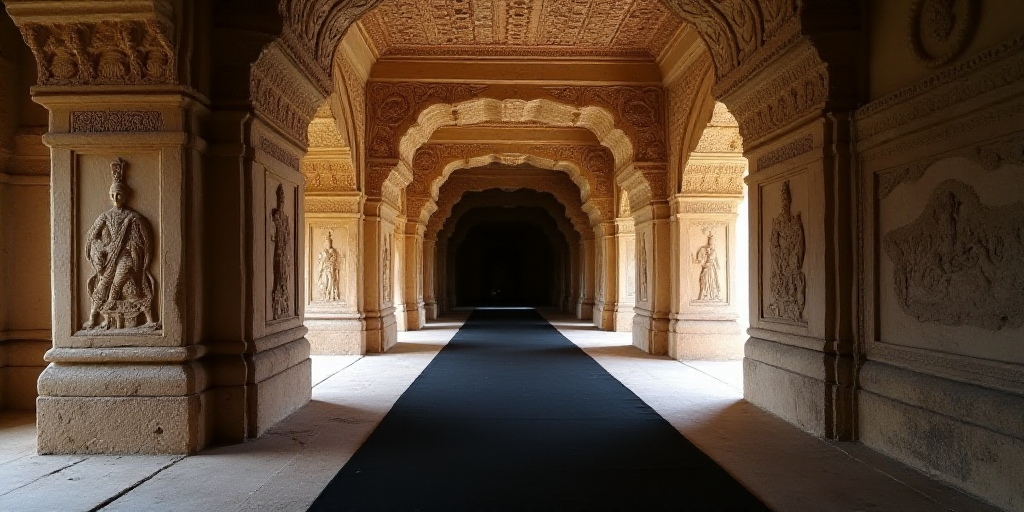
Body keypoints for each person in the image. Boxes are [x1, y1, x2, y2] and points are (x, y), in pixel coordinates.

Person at [83, 158, 158, 330]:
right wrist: (101, 249)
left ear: (125, 195)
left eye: (119, 195)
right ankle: (93, 319)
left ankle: (147, 319)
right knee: (103, 286)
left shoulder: (133, 217)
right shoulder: (105, 217)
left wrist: (139, 252)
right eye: (113, 195)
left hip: (126, 257)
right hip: (109, 258)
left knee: (119, 284)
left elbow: (145, 238)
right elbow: (92, 238)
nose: (116, 198)